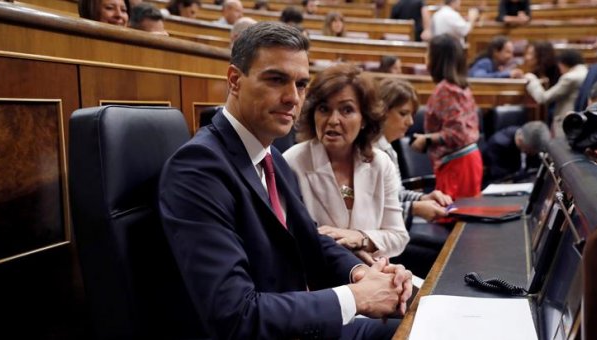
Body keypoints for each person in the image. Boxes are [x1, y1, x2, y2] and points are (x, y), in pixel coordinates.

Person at [158, 22, 412, 339]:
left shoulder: (272, 157)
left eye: (301, 84)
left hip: (301, 323)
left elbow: (311, 240)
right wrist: (357, 297)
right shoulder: (198, 168)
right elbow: (235, 316)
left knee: (423, 322)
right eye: (277, 79)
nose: (293, 98)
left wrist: (363, 273)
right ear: (235, 81)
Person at [283, 64, 409, 265]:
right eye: (324, 109)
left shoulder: (380, 163)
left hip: (375, 276)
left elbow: (398, 237)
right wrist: (350, 255)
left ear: (364, 119)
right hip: (317, 284)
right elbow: (291, 241)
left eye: (346, 110)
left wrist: (360, 238)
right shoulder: (292, 162)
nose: (333, 120)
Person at [412, 34, 483, 199]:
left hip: (457, 165)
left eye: (428, 53)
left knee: (451, 217)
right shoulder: (460, 87)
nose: (425, 58)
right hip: (467, 160)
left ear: (436, 58)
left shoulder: (445, 90)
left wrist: (426, 139)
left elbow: (456, 134)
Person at [376, 78, 453, 225]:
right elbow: (368, 210)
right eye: (403, 113)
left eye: (411, 114)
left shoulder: (388, 148)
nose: (410, 122)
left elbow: (395, 194)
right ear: (381, 112)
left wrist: (423, 198)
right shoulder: (367, 152)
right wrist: (414, 209)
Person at [525, 49, 587, 138]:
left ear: (562, 64)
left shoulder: (569, 78)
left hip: (567, 123)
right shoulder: (587, 72)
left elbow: (543, 98)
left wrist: (532, 80)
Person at [481, 121, 550, 184]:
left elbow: (536, 168)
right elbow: (499, 176)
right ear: (520, 140)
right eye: (530, 151)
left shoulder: (531, 140)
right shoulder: (497, 144)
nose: (533, 154)